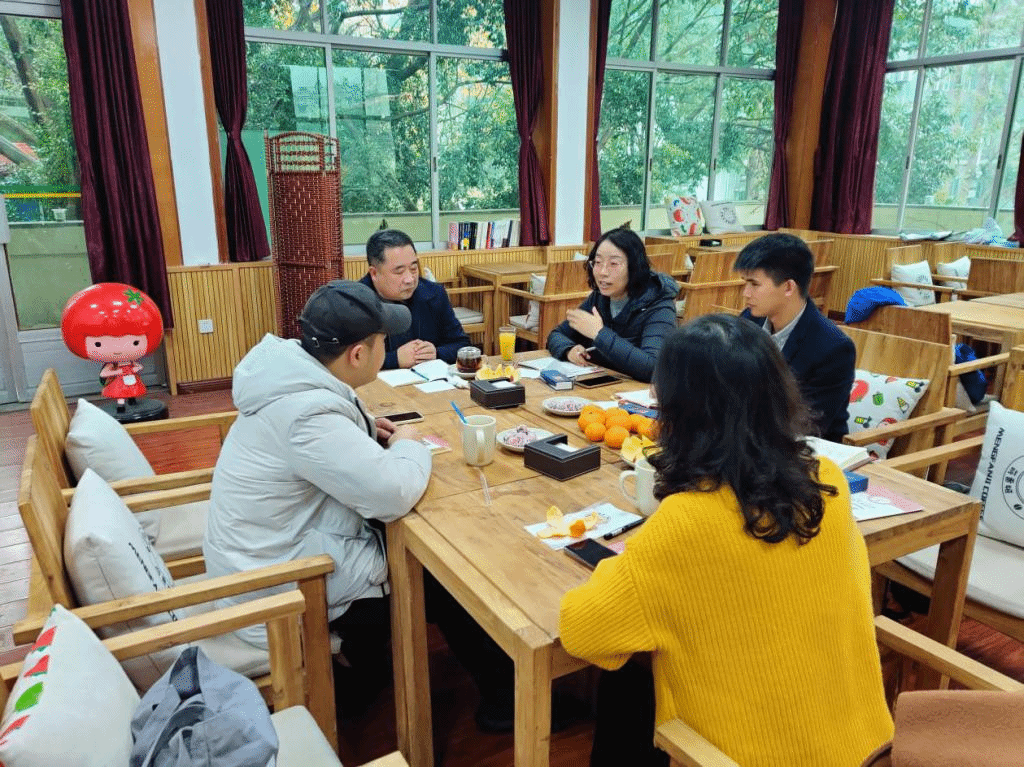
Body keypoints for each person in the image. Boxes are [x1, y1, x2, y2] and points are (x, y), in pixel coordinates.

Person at [559, 314, 894, 767]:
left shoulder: (685, 522)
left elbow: (582, 632)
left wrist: (618, 566)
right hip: (870, 751)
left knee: (629, 683)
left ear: (678, 416)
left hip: (746, 758)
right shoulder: (828, 479)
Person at [203, 280, 514, 727]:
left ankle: (366, 667)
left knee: (429, 555)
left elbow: (324, 441)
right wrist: (410, 443)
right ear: (357, 354)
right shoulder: (306, 415)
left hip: (272, 552)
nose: (388, 347)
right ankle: (504, 699)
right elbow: (392, 494)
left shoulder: (293, 380)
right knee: (443, 571)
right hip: (280, 587)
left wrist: (361, 429)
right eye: (383, 341)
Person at [734, 232, 855, 442]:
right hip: (748, 437)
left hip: (805, 449)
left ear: (788, 287)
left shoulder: (833, 348)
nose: (746, 293)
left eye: (754, 284)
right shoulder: (749, 320)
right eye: (745, 283)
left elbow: (807, 425)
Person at [545, 227, 678, 382]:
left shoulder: (660, 305)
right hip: (604, 384)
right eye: (598, 262)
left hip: (637, 391)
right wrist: (569, 350)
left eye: (613, 264)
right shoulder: (599, 297)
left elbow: (653, 368)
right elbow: (556, 335)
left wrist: (599, 333)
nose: (603, 272)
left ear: (634, 267)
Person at [359, 228, 469, 369]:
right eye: (399, 272)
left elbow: (462, 345)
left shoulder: (434, 293)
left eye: (413, 269)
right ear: (374, 273)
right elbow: (350, 363)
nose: (410, 279)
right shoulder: (357, 303)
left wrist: (437, 353)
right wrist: (394, 359)